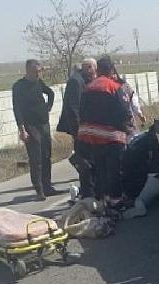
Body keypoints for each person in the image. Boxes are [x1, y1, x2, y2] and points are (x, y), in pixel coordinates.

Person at [78, 56, 132, 208]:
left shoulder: (89, 87)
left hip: (94, 137)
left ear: (98, 70)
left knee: (100, 169)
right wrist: (125, 127)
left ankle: (102, 199)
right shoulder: (114, 87)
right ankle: (115, 200)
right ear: (111, 69)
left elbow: (81, 111)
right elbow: (124, 111)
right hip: (113, 136)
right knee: (115, 169)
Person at [12, 59, 60, 201]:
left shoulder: (39, 83)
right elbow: (17, 108)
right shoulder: (19, 86)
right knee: (36, 158)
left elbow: (50, 93)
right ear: (28, 70)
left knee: (46, 156)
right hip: (30, 126)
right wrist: (22, 129)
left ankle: (48, 186)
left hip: (43, 124)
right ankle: (39, 190)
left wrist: (48, 107)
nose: (38, 74)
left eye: (39, 71)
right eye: (36, 71)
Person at [57, 58, 98, 199]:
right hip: (78, 128)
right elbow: (74, 107)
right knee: (83, 158)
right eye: (94, 70)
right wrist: (79, 129)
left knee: (86, 158)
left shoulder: (81, 79)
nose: (95, 73)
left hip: (82, 128)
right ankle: (87, 191)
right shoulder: (76, 81)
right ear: (89, 67)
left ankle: (89, 187)